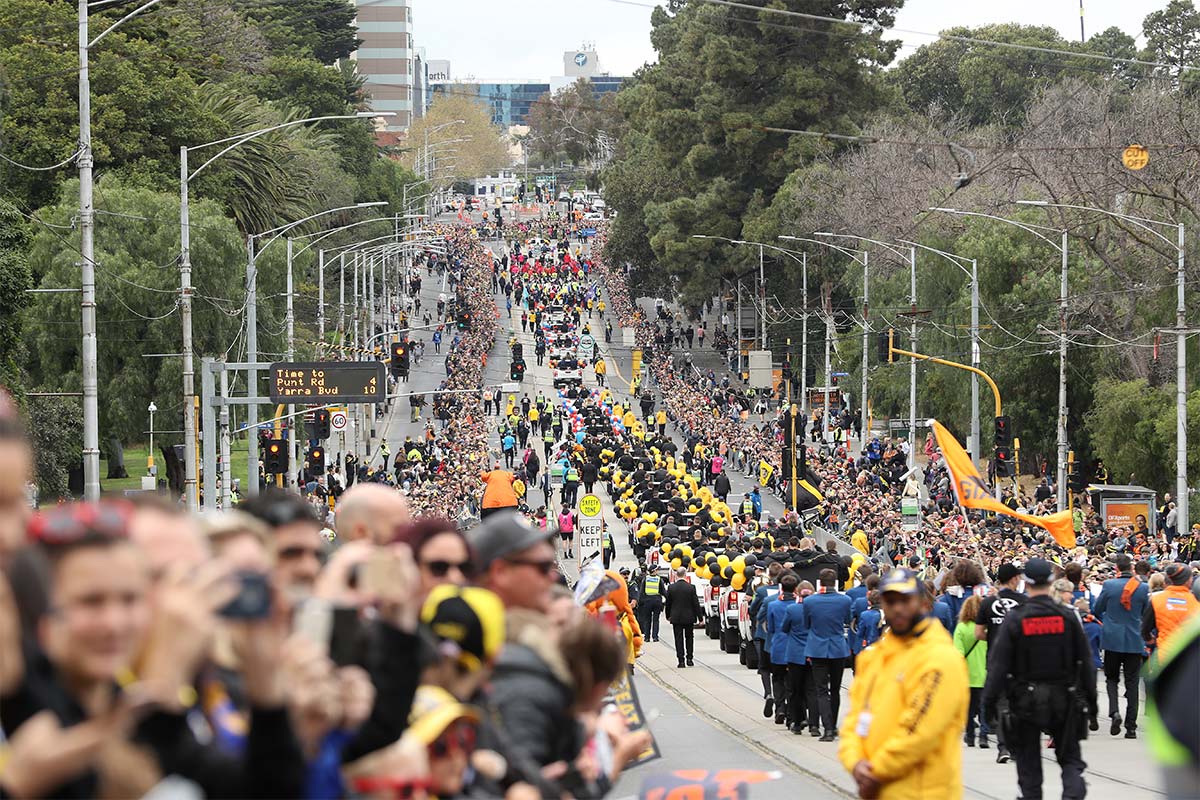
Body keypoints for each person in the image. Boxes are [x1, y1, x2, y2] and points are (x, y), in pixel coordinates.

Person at [839, 568, 969, 799]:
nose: (897, 607)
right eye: (891, 601)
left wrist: (875, 772)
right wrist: (855, 762)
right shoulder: (874, 657)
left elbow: (921, 730)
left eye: (905, 600)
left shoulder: (941, 658)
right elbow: (855, 719)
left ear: (922, 603)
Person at [982, 558, 1098, 800]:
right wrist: (1091, 701)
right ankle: (1073, 792)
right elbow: (1085, 661)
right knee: (1070, 760)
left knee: (1028, 765)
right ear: (1051, 581)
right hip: (1063, 697)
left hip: (1026, 699)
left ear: (1026, 582)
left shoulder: (1016, 618)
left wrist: (989, 702)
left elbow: (998, 665)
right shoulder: (1067, 616)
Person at [1093, 552, 1150, 738]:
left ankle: (1114, 712)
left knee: (1111, 679)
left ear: (1117, 568)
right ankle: (1131, 726)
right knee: (1132, 682)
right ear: (1131, 568)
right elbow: (1146, 613)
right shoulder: (1142, 588)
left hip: (1112, 639)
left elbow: (1097, 609)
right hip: (1134, 639)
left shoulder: (1109, 585)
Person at [975, 561, 1026, 763]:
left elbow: (978, 633)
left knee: (1002, 704)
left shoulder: (988, 602)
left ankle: (1003, 747)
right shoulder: (1023, 601)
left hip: (996, 659)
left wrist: (997, 638)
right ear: (1014, 579)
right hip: (1019, 660)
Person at [804, 568, 852, 741]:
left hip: (817, 648)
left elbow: (806, 623)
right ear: (836, 581)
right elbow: (848, 620)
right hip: (838, 648)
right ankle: (833, 725)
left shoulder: (810, 601)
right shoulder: (845, 600)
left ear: (820, 581)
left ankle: (828, 729)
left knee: (821, 690)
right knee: (835, 690)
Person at [954, 594, 989, 748]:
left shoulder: (961, 628)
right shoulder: (986, 629)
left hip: (967, 674)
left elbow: (958, 653)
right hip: (985, 672)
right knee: (984, 707)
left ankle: (969, 735)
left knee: (969, 708)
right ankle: (984, 735)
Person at [1142, 563, 1199, 653]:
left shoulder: (1156, 599)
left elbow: (1145, 628)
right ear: (1188, 580)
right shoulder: (1196, 602)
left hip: (1164, 656)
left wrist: (1150, 639)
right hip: (1189, 658)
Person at [665, 567, 701, 667]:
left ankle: (681, 660)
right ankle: (689, 658)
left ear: (676, 575)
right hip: (689, 617)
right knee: (689, 638)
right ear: (685, 574)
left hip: (676, 617)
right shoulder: (691, 587)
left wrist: (668, 615)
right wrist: (700, 618)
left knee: (678, 639)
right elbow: (696, 604)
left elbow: (668, 603)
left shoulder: (671, 588)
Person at [636, 563, 665, 642]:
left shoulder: (645, 579)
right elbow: (663, 591)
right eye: (657, 570)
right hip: (657, 601)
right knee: (656, 619)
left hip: (647, 601)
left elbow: (641, 591)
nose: (658, 571)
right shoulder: (659, 579)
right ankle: (655, 637)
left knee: (647, 619)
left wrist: (640, 602)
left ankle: (647, 637)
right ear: (654, 571)